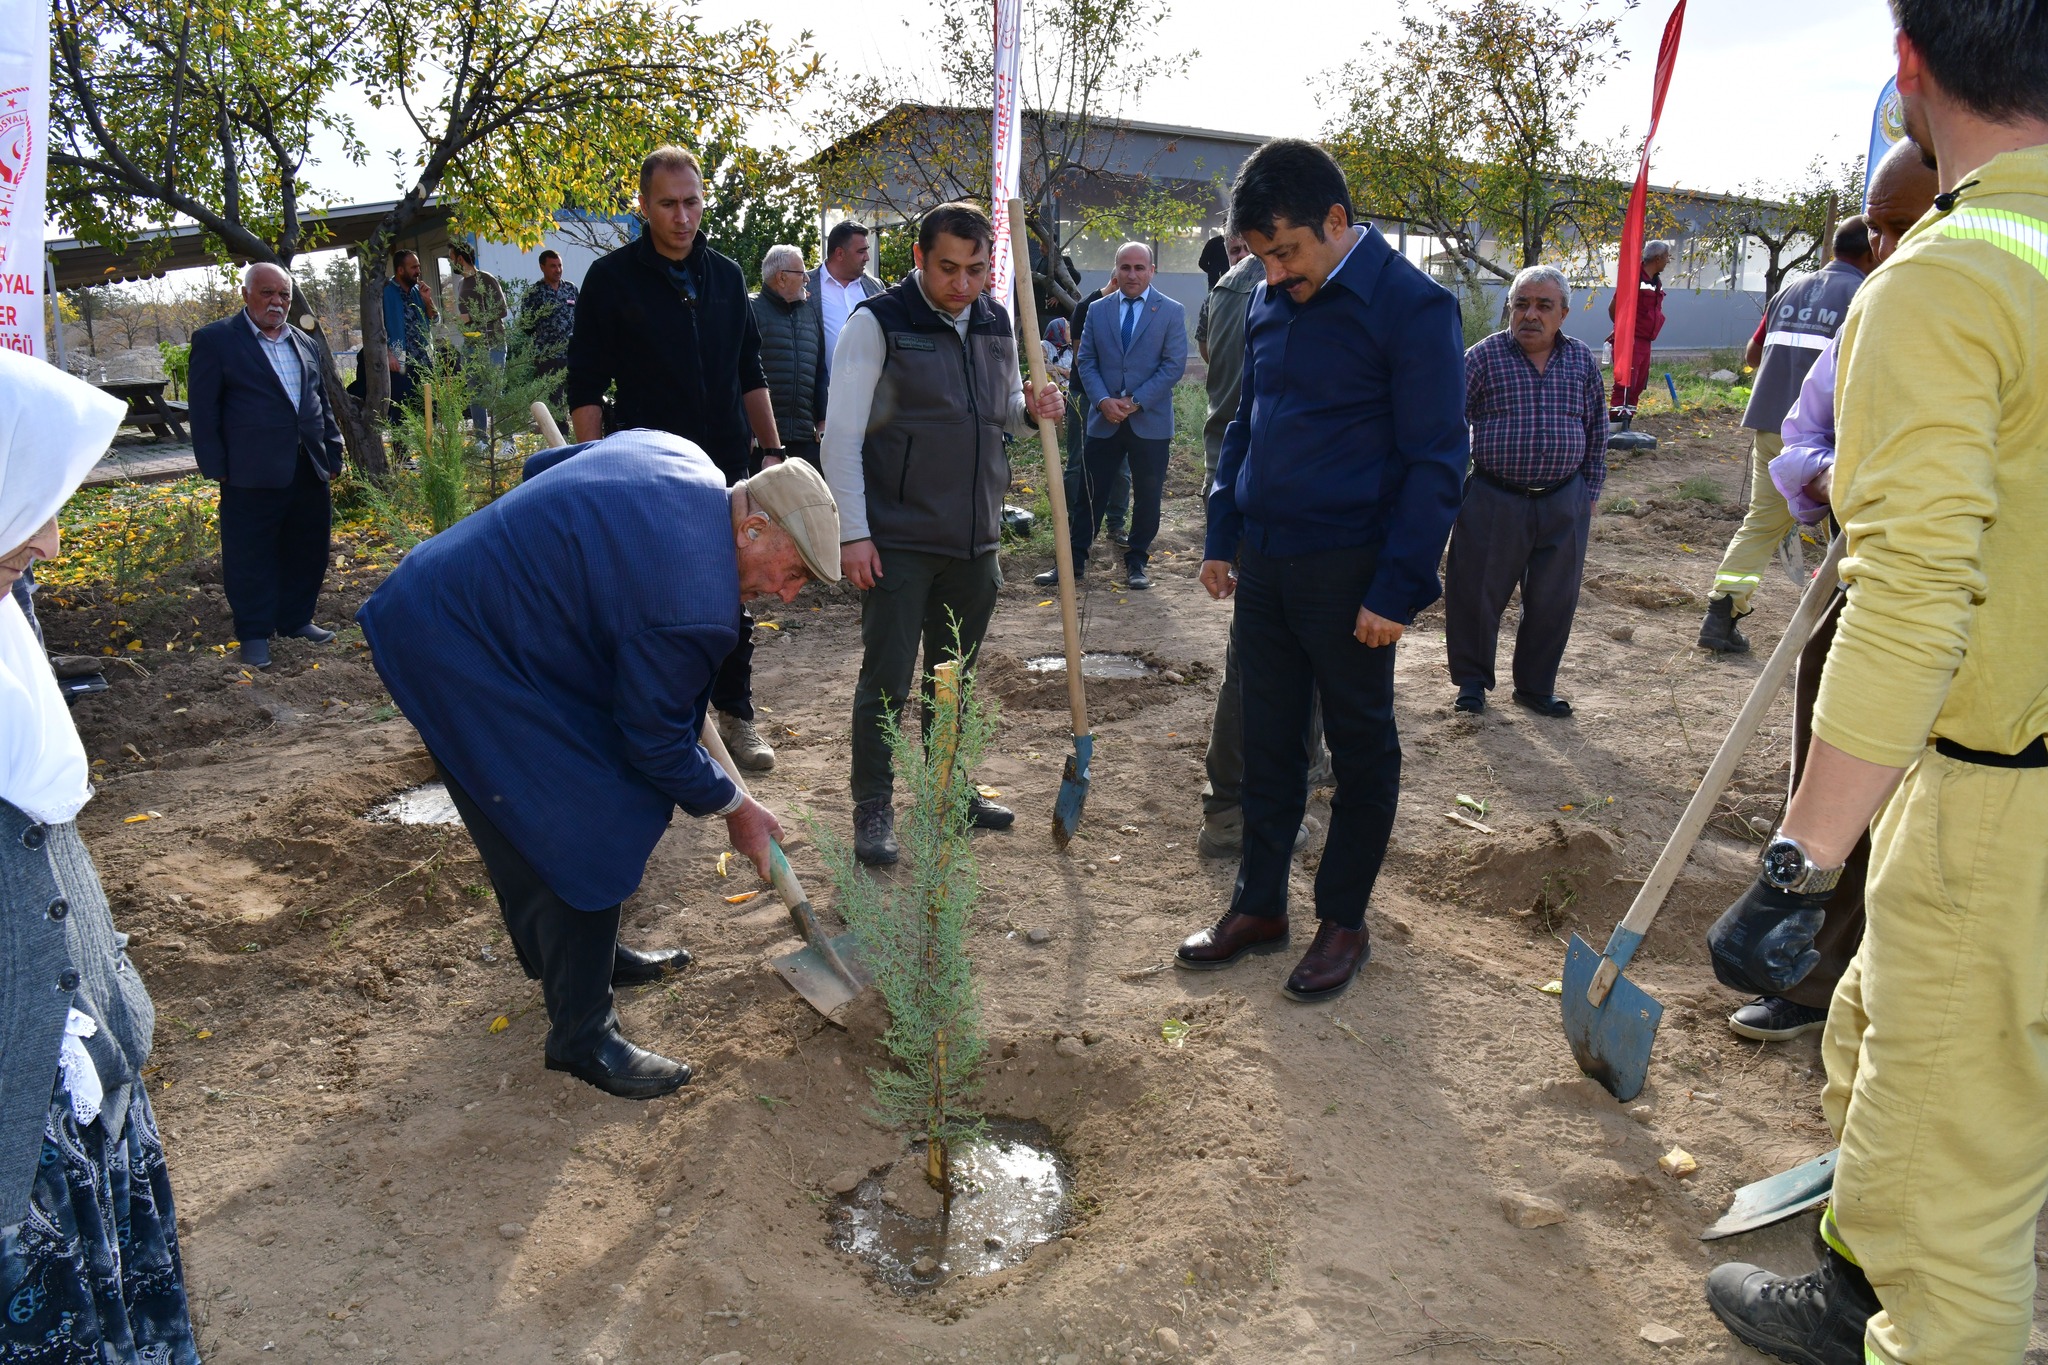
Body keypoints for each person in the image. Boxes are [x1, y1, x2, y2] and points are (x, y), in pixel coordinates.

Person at [1701, 5, 2048, 1361]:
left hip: (2002, 797)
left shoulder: (1954, 276)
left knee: (1949, 1189)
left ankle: (1905, 1316)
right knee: (1871, 1041)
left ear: (1910, 70)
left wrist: (1796, 865)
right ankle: (1849, 1294)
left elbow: (1912, 597)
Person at [359, 443, 840, 1098]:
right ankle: (582, 1034)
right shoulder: (693, 600)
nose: (784, 594)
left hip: (487, 614)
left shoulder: (684, 458)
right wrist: (737, 810)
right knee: (591, 809)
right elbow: (657, 743)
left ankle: (590, 957)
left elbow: (545, 469)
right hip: (456, 639)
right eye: (791, 573)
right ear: (752, 527)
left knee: (593, 788)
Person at [1178, 138, 1466, 1002]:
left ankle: (1343, 921)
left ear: (1337, 222)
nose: (1273, 273)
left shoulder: (1414, 308)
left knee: (1360, 749)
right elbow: (1244, 426)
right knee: (1268, 742)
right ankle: (1259, 906)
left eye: (1287, 252)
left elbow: (1437, 461)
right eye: (1261, 256)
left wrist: (1398, 585)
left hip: (1352, 576)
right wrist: (1223, 529)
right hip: (1265, 562)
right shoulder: (1272, 299)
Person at [0, 350, 201, 1363]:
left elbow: (43, 831)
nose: (49, 536)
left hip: (70, 1073)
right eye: (30, 499)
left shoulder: (3, 628)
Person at [1720, 139, 1939, 1049]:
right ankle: (1809, 983)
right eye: (1878, 228)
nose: (1886, 250)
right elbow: (1801, 443)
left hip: (1981, 607)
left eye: (1907, 224)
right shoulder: (1866, 318)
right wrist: (1859, 474)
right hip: (1864, 581)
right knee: (1832, 772)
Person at [820, 201, 1066, 866]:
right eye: (948, 268)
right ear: (919, 261)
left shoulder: (995, 321)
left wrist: (1032, 408)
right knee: (887, 680)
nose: (962, 284)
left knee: (954, 678)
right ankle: (872, 806)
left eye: (977, 270)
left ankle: (948, 789)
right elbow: (840, 436)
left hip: (975, 539)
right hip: (897, 539)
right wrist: (853, 534)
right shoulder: (877, 324)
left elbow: (1001, 413)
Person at [566, 145, 788, 772]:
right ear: (642, 207)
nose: (682, 216)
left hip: (725, 465)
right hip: (648, 473)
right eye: (667, 204)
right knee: (654, 596)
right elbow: (585, 384)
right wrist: (589, 464)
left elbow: (751, 371)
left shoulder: (724, 278)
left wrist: (770, 452)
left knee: (733, 593)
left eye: (691, 202)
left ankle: (736, 716)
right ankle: (660, 722)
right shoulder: (611, 282)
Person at [1194, 231, 1328, 858]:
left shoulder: (1228, 284)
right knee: (1261, 663)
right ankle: (1234, 808)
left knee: (1267, 659)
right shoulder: (1269, 284)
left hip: (1239, 481)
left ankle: (1278, 776)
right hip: (1262, 492)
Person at [1697, 216, 1876, 653]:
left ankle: (1721, 614)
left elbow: (1752, 355)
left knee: (1762, 522)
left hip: (1774, 425)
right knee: (1856, 531)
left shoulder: (1789, 291)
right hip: (1832, 437)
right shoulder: (1868, 295)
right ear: (1872, 250)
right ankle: (1841, 629)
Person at [1444, 264, 1607, 718]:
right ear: (1509, 308)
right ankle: (1472, 684)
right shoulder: (1481, 358)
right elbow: (1447, 425)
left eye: (1543, 306)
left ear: (1563, 314)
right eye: (1521, 304)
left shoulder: (1580, 361)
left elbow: (1596, 429)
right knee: (1475, 594)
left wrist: (1590, 489)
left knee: (1554, 599)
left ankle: (1535, 687)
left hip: (1563, 499)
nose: (1530, 314)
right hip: (1495, 498)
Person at [188, 261, 347, 670]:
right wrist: (216, 466)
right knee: (249, 555)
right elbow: (203, 411)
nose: (277, 302)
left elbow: (320, 402)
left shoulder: (304, 342)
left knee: (308, 548)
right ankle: (255, 634)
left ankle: (296, 620)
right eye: (267, 293)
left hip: (307, 466)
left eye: (284, 295)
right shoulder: (216, 341)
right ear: (246, 294)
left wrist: (333, 449)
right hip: (249, 471)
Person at [1038, 242, 1187, 591]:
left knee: (1148, 495)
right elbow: (1085, 360)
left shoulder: (1171, 311)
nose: (1132, 274)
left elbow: (1173, 365)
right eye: (1125, 267)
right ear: (1115, 271)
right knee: (1089, 493)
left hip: (1149, 421)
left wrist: (1134, 402)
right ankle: (1073, 562)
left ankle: (1137, 561)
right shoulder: (1098, 310)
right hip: (1103, 420)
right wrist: (1103, 400)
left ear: (1152, 270)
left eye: (1139, 267)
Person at [750, 244, 828, 471]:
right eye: (801, 273)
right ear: (781, 278)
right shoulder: (749, 309)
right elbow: (736, 374)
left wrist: (822, 419)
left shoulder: (809, 313)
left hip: (805, 440)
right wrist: (747, 429)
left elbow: (819, 371)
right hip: (761, 443)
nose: (807, 279)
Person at [808, 220, 883, 369]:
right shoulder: (807, 285)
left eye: (867, 250)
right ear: (840, 253)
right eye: (861, 251)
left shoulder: (875, 287)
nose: (867, 257)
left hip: (872, 389)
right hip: (824, 390)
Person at [1605, 239, 1669, 413]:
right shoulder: (1634, 277)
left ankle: (1628, 421)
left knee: (1637, 385)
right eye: (1666, 257)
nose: (1668, 261)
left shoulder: (1655, 281)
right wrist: (1623, 332)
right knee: (1625, 383)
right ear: (1657, 258)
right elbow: (1614, 308)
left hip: (1645, 341)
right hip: (1631, 341)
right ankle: (1617, 426)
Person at [381, 248, 438, 408]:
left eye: (418, 266)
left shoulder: (417, 291)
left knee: (430, 407)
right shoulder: (386, 292)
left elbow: (435, 319)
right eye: (413, 267)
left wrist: (427, 300)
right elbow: (378, 328)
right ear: (400, 270)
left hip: (424, 357)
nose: (418, 271)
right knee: (403, 409)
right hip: (399, 359)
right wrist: (388, 353)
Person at [520, 248, 579, 384]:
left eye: (560, 265)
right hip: (547, 355)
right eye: (553, 266)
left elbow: (581, 316)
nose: (558, 270)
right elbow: (526, 325)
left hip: (571, 353)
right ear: (542, 267)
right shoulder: (534, 293)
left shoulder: (571, 289)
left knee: (575, 395)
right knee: (553, 399)